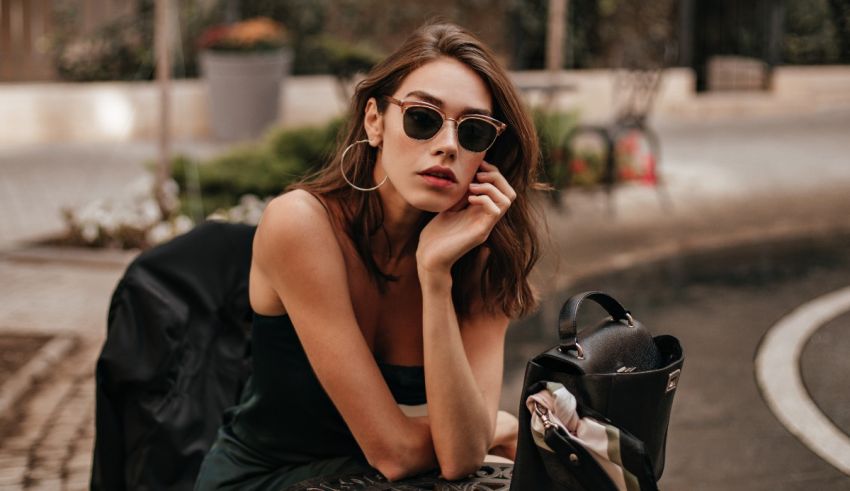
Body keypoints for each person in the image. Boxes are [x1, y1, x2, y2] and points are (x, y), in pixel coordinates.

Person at [195, 21, 543, 489]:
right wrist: (494, 427)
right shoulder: (301, 224)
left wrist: (435, 274)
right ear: (374, 122)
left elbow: (461, 457)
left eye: (474, 131)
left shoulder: (478, 259)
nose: (447, 145)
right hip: (269, 480)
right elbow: (397, 454)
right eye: (423, 118)